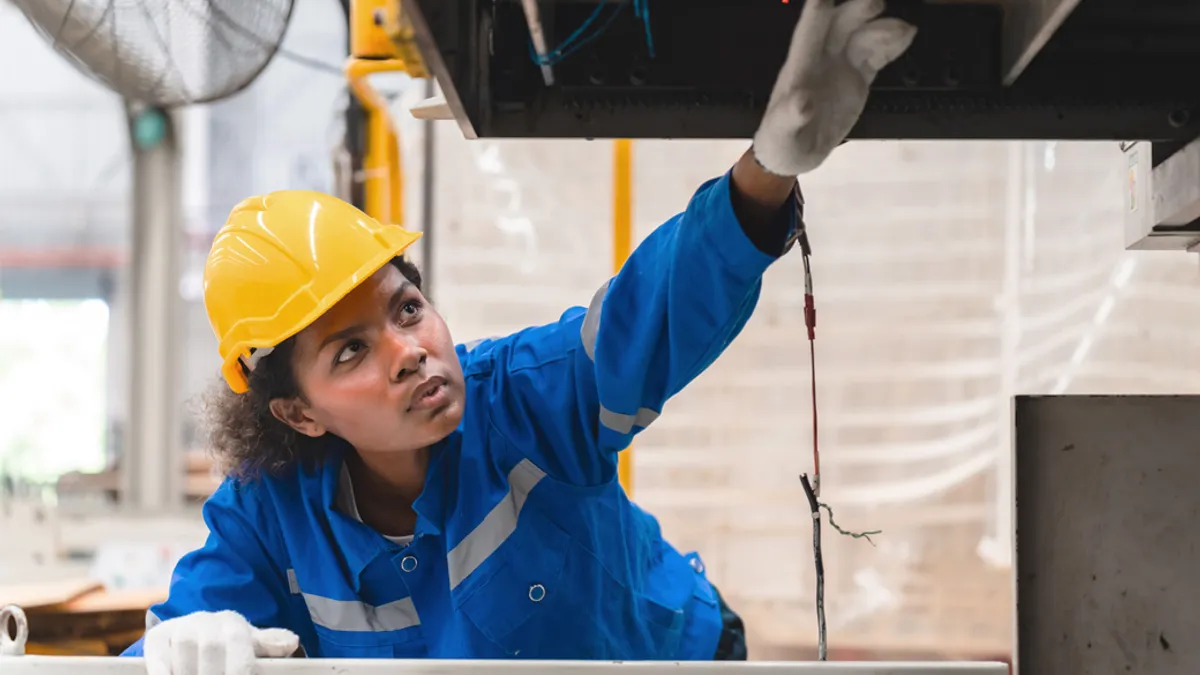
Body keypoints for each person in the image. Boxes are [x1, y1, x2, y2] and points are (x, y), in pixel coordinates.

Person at [124, 1, 915, 673]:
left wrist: (767, 169)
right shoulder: (267, 515)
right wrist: (176, 644)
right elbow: (177, 635)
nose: (410, 349)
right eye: (350, 351)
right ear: (299, 413)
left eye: (406, 308)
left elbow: (656, 310)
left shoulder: (526, 402)